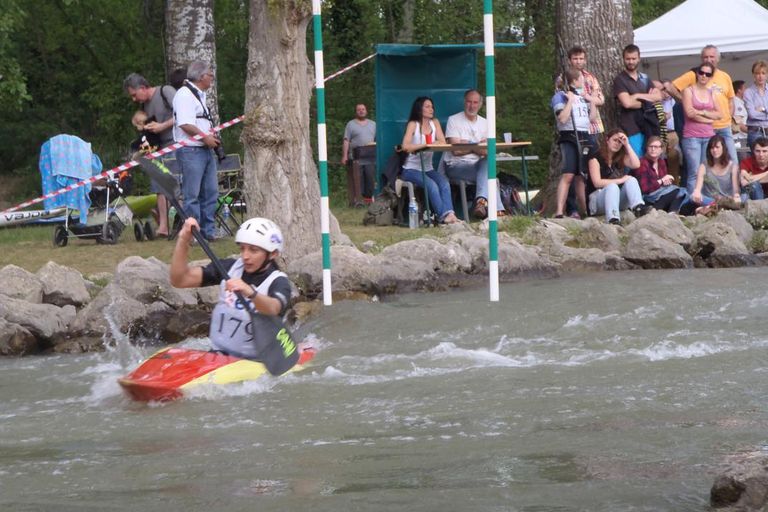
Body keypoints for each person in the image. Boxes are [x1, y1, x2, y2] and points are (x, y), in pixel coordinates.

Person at [170, 216, 292, 359]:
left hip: (257, 360)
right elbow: (180, 280)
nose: (245, 256)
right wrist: (184, 239)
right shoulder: (229, 268)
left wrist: (250, 293)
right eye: (242, 248)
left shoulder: (279, 282)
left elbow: (274, 308)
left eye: (253, 250)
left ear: (273, 253)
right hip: (219, 354)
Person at [172, 61, 221, 242]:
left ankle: (208, 231)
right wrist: (205, 137)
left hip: (204, 149)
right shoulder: (184, 94)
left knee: (210, 192)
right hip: (191, 150)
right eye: (210, 75)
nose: (212, 78)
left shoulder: (199, 95)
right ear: (201, 77)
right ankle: (194, 233)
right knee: (192, 194)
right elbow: (185, 123)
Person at [123, 72, 177, 237]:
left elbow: (185, 114)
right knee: (159, 187)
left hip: (176, 146)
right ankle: (163, 226)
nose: (134, 99)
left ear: (143, 87)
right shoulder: (144, 106)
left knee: (175, 187)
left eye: (134, 95)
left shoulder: (166, 92)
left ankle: (178, 221)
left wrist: (162, 126)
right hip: (157, 150)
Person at [667, 45, 738, 166]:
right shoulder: (695, 74)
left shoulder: (725, 76)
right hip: (705, 128)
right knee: (706, 166)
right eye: (705, 57)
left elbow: (731, 100)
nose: (709, 59)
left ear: (718, 59)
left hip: (724, 127)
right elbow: (670, 87)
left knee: (733, 163)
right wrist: (685, 101)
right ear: (701, 59)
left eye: (712, 57)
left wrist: (728, 118)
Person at [443, 89, 504, 220]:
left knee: (487, 163)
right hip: (456, 166)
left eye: (475, 102)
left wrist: (467, 144)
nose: (472, 105)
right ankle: (498, 211)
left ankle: (481, 202)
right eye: (469, 102)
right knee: (490, 175)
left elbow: (487, 151)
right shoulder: (453, 120)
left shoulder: (485, 123)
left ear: (480, 104)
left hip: (478, 166)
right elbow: (456, 150)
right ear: (464, 102)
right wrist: (476, 146)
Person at [400, 96, 459, 224]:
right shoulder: (413, 124)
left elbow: (442, 142)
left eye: (432, 106)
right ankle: (444, 216)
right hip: (411, 169)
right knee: (432, 185)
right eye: (427, 106)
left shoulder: (435, 123)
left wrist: (433, 143)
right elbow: (405, 146)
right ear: (419, 109)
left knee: (444, 183)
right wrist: (425, 145)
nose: (431, 109)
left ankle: (450, 214)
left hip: (428, 168)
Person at [551, 67, 597, 218]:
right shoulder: (560, 96)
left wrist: (592, 101)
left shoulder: (582, 96)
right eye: (582, 79)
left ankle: (585, 211)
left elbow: (591, 118)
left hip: (584, 135)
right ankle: (559, 210)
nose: (584, 82)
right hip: (569, 135)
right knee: (569, 174)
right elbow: (562, 118)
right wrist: (570, 101)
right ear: (575, 81)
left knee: (581, 176)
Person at [585, 128, 650, 224]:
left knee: (631, 180)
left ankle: (638, 207)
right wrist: (621, 180)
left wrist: (627, 145)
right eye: (615, 140)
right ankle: (613, 219)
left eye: (620, 142)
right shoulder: (595, 158)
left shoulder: (619, 158)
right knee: (612, 186)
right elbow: (597, 183)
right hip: (597, 201)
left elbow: (636, 164)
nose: (617, 144)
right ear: (607, 140)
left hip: (615, 199)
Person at [633, 136, 708, 215]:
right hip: (648, 197)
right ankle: (670, 212)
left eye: (656, 147)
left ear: (661, 150)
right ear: (647, 148)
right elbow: (645, 188)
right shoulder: (642, 163)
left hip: (662, 195)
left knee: (683, 194)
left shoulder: (661, 162)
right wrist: (661, 181)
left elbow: (663, 183)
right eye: (651, 146)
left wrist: (667, 181)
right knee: (679, 191)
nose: (653, 149)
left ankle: (674, 212)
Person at [613, 44, 662, 157]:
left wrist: (636, 96)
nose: (631, 62)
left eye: (633, 58)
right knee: (636, 160)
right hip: (631, 128)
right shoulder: (620, 80)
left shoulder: (645, 78)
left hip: (649, 125)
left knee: (649, 159)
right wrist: (647, 100)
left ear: (639, 58)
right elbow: (627, 103)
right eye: (628, 59)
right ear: (623, 59)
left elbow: (658, 96)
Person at [680, 63, 721, 193]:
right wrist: (708, 119)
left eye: (708, 74)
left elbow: (719, 114)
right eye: (701, 72)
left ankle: (706, 200)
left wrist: (702, 112)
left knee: (707, 171)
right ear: (697, 73)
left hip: (709, 136)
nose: (704, 76)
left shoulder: (711, 92)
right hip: (692, 136)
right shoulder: (688, 91)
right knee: (694, 172)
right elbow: (689, 113)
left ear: (711, 77)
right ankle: (693, 201)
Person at [691, 135, 742, 208]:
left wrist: (736, 196)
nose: (714, 150)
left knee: (743, 197)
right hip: (710, 200)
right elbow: (697, 188)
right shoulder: (703, 166)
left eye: (717, 147)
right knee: (692, 197)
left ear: (723, 148)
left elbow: (736, 190)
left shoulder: (733, 166)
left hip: (727, 200)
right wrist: (696, 192)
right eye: (712, 148)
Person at [341, 103, 376, 207]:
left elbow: (378, 139)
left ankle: (369, 200)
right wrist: (345, 156)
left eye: (363, 109)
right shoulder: (351, 124)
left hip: (370, 155)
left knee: (370, 177)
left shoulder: (373, 124)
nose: (361, 111)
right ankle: (358, 201)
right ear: (356, 112)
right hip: (356, 156)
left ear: (366, 111)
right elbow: (346, 140)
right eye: (359, 109)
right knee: (358, 178)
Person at [744, 60, 768, 150]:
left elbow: (755, 113)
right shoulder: (748, 92)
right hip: (755, 132)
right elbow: (752, 114)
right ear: (753, 75)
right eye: (757, 73)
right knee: (757, 157)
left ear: (767, 75)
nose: (760, 76)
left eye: (763, 73)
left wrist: (762, 109)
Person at [732, 79, 748, 149]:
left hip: (740, 137)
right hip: (738, 138)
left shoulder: (738, 102)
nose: (746, 90)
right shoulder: (737, 104)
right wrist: (753, 132)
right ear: (739, 90)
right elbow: (739, 123)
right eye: (744, 88)